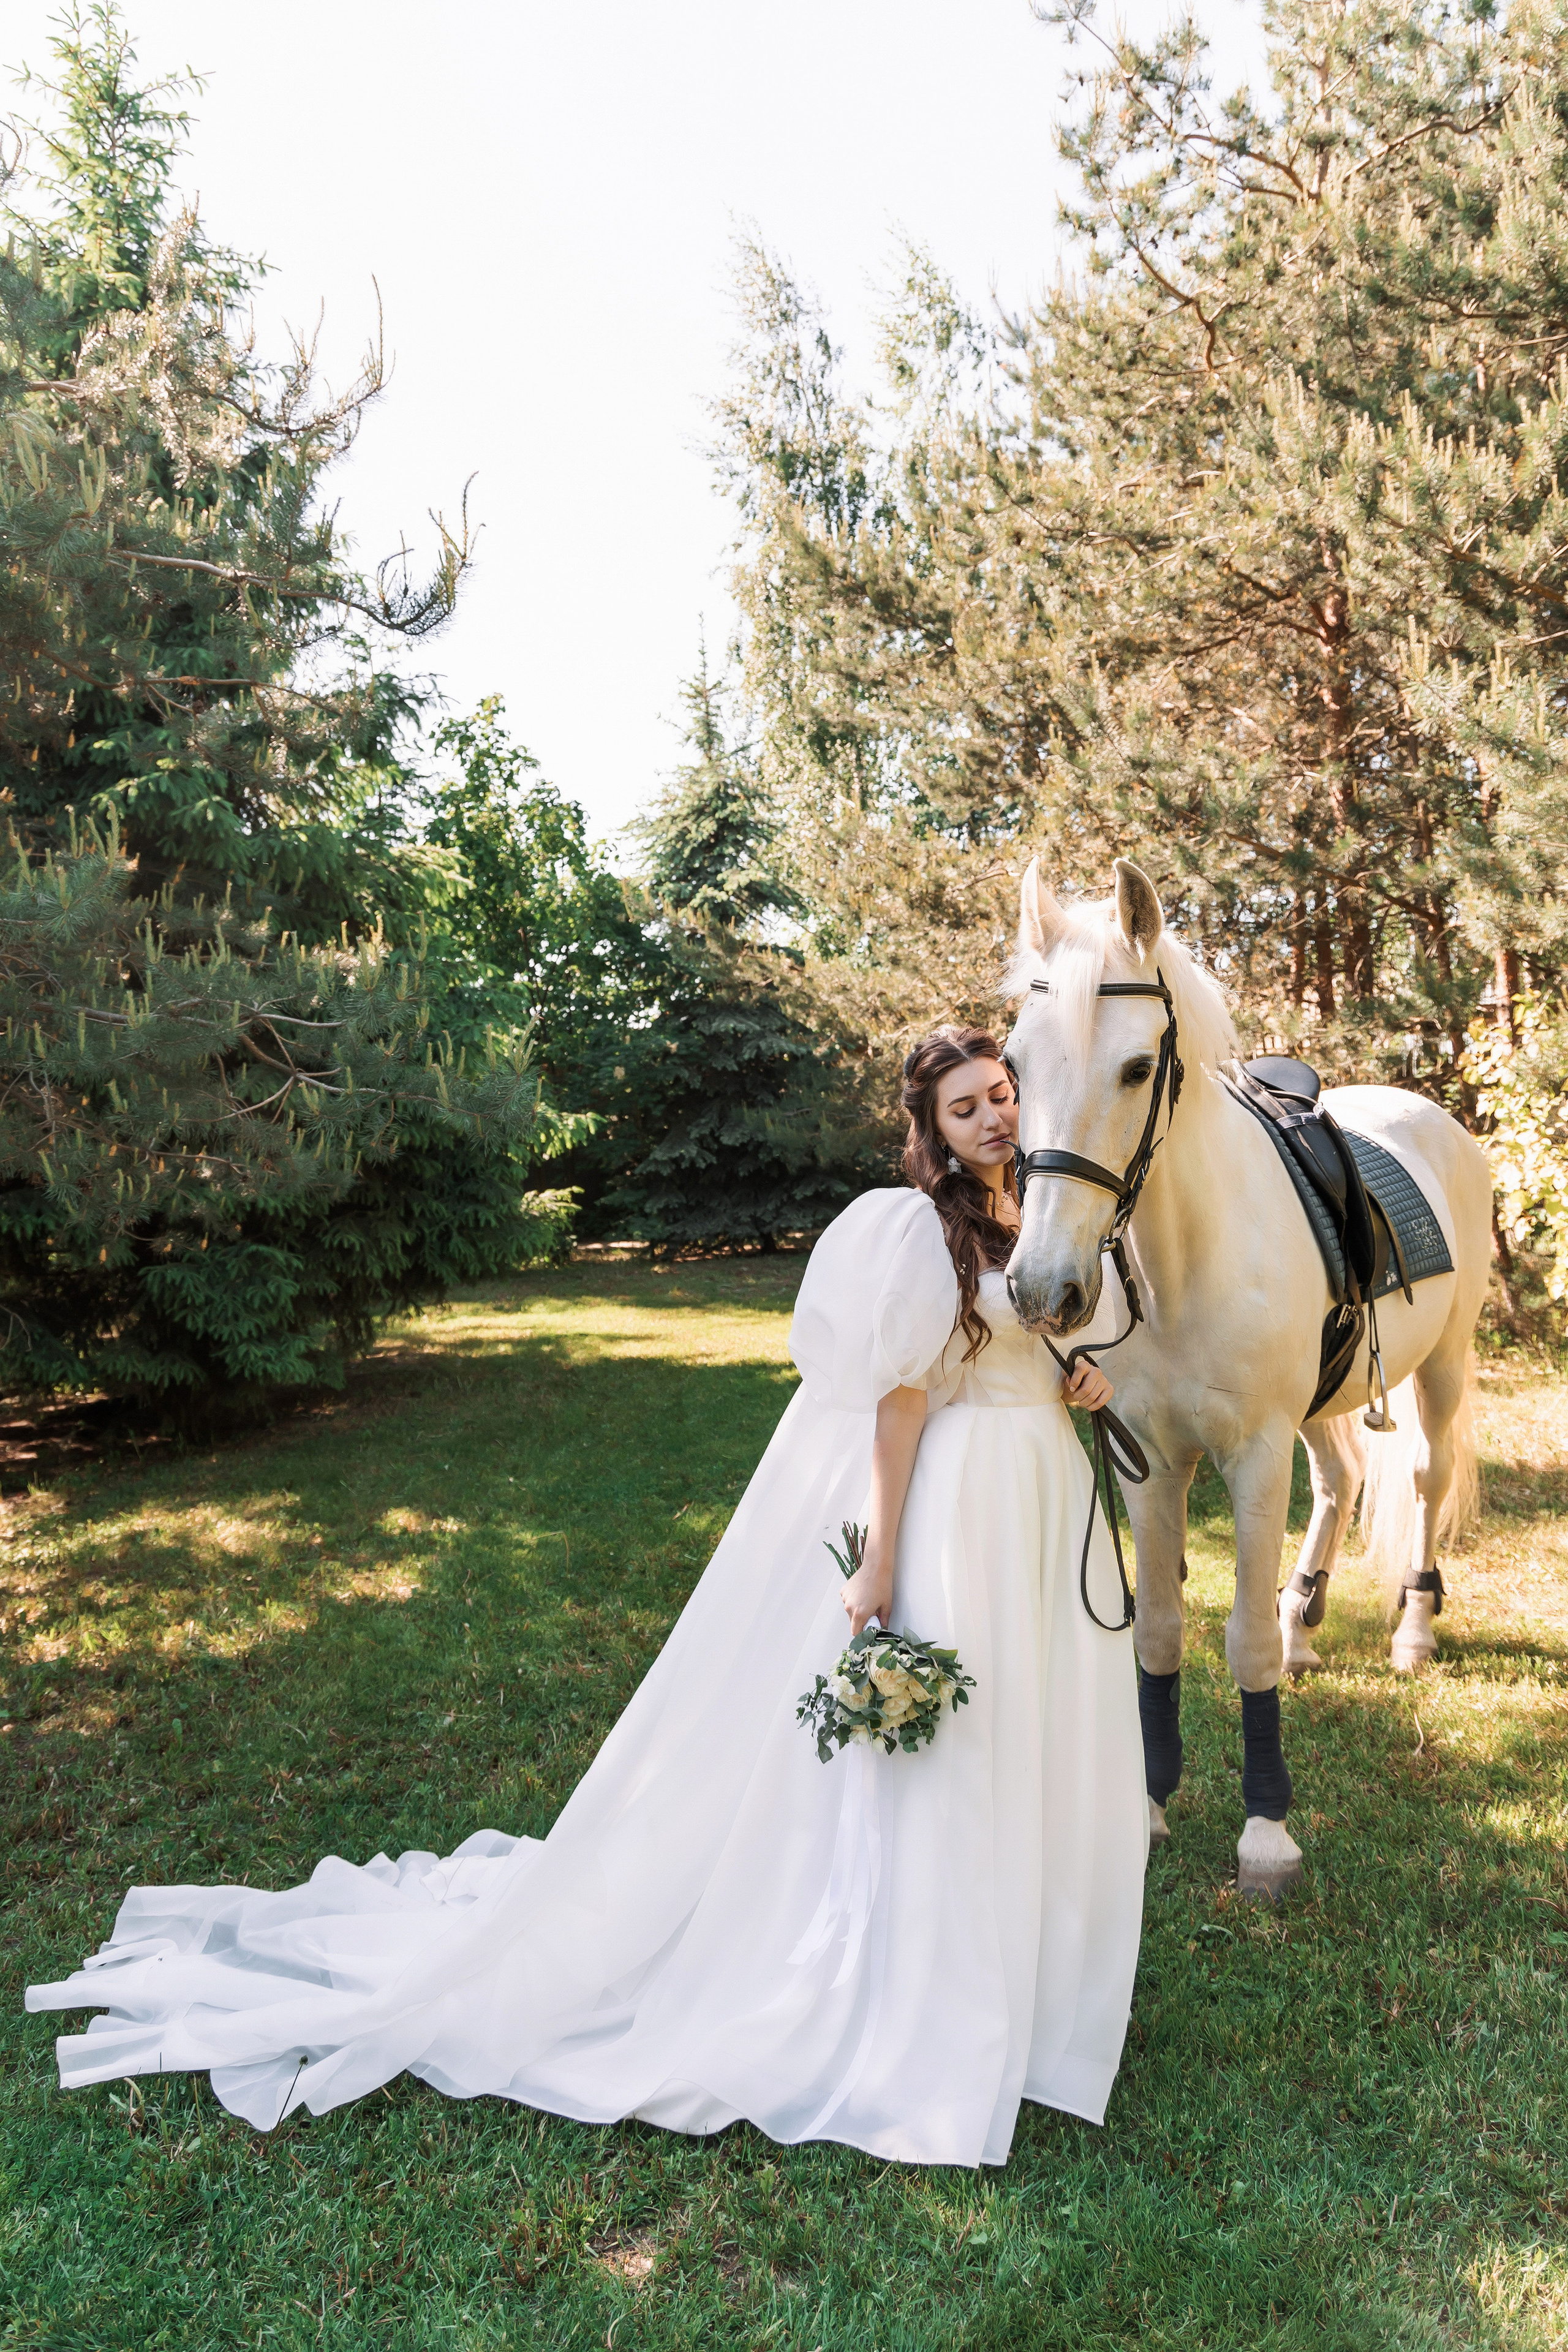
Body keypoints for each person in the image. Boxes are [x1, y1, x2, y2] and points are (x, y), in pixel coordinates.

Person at [27, 1025, 1147, 2168]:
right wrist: (880, 1556)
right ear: (933, 1133)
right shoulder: (921, 1232)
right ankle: (928, 1992)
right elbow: (903, 1405)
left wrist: (1077, 1380)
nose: (995, 1118)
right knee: (948, 1752)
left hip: (1043, 1492)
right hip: (964, 1505)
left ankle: (1025, 1967)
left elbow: (1022, 1353)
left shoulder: (1048, 1214)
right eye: (966, 1109)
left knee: (1027, 1722)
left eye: (1001, 1095)